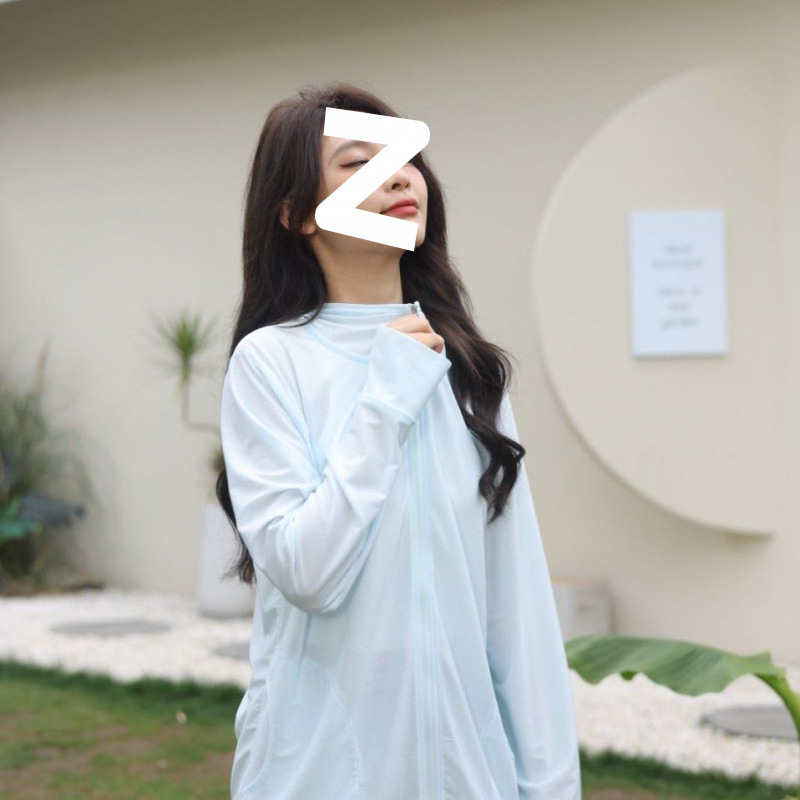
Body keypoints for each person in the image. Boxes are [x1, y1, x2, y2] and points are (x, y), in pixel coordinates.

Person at [217, 80, 582, 800]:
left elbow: (517, 609)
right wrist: (385, 399)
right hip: (318, 777)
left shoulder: (471, 373)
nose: (399, 176)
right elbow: (306, 570)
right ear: (297, 214)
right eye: (359, 163)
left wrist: (549, 787)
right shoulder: (270, 363)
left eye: (405, 158)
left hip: (467, 778)